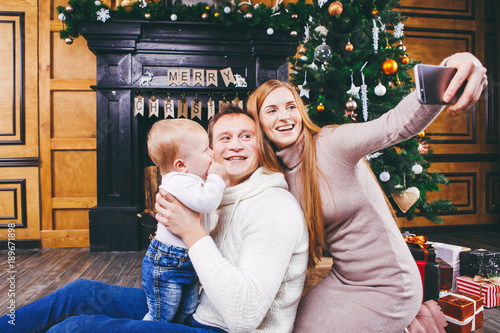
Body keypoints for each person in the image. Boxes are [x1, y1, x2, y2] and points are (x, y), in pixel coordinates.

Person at [0, 105, 309, 333]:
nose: (236, 145)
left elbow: (244, 317)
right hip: (197, 309)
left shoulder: (274, 208)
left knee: (75, 329)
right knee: (79, 292)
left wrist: (192, 234)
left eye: (246, 136)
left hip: (224, 329)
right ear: (210, 151)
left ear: (260, 146)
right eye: (225, 138)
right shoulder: (216, 194)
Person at [242, 52, 487, 333]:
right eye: (271, 110)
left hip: (392, 285)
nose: (284, 117)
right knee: (290, 327)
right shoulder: (277, 177)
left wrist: (447, 72)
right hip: (345, 278)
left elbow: (393, 126)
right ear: (258, 123)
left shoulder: (331, 144)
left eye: (290, 107)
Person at [142, 119, 226, 323]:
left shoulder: (189, 179)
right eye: (206, 150)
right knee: (161, 316)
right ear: (181, 165)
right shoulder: (177, 181)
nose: (212, 154)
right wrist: (217, 177)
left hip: (186, 261)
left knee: (186, 311)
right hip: (168, 263)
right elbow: (206, 202)